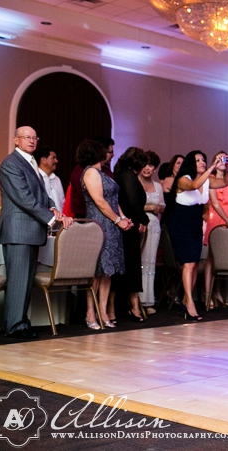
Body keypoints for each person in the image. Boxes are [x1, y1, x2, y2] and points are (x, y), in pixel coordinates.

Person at [0, 127, 72, 339]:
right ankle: (15, 326)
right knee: (19, 281)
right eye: (27, 137)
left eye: (34, 137)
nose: (31, 141)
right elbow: (24, 198)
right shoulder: (10, 164)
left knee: (25, 281)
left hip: (29, 231)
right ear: (16, 140)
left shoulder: (30, 162)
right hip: (18, 231)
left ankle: (20, 323)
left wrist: (52, 207)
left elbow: (41, 194)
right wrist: (51, 219)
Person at [169, 150, 228, 320]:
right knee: (188, 263)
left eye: (203, 160)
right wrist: (212, 167)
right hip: (180, 224)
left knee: (195, 264)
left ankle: (185, 300)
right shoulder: (183, 179)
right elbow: (193, 185)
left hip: (195, 224)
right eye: (198, 160)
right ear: (191, 163)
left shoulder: (207, 180)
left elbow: (226, 182)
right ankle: (190, 303)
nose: (202, 162)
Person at [80, 139, 131, 329]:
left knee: (107, 272)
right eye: (106, 151)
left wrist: (123, 217)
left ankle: (103, 312)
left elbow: (113, 199)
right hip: (99, 224)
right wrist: (118, 220)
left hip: (111, 224)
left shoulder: (102, 173)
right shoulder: (90, 172)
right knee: (96, 271)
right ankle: (90, 312)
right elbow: (100, 201)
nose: (109, 154)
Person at [113, 147, 150, 323]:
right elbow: (133, 202)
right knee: (131, 266)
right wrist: (144, 219)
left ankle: (118, 308)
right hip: (128, 225)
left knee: (126, 266)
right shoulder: (127, 175)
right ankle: (132, 306)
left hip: (126, 223)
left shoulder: (121, 173)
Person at [203, 151, 228, 310]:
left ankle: (217, 291)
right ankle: (207, 294)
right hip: (217, 217)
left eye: (226, 159)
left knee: (221, 258)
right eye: (221, 159)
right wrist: (226, 218)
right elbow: (215, 203)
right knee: (211, 258)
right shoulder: (211, 179)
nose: (224, 162)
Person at [138, 151, 164, 314]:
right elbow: (130, 205)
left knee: (150, 262)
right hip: (138, 224)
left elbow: (162, 207)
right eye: (145, 164)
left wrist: (157, 208)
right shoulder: (134, 182)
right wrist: (150, 207)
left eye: (151, 165)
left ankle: (148, 300)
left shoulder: (158, 186)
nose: (147, 168)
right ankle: (136, 301)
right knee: (139, 262)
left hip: (154, 225)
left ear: (155, 168)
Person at [69, 136, 114, 218]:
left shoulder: (105, 169)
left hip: (107, 215)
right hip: (90, 218)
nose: (113, 155)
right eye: (110, 152)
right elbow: (89, 199)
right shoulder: (83, 171)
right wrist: (118, 220)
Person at [34, 147, 65, 213]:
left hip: (59, 218)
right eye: (53, 158)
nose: (56, 161)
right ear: (43, 160)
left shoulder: (57, 179)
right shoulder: (35, 178)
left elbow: (63, 203)